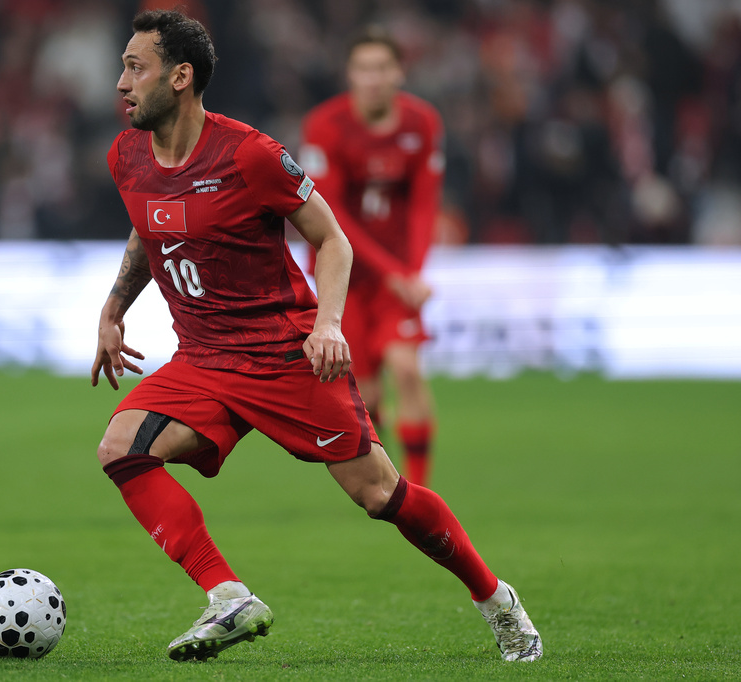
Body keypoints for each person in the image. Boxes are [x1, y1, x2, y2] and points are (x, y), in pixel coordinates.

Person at [92, 9, 542, 664]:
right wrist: (114, 308)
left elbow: (331, 237)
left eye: (136, 67)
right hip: (202, 358)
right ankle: (228, 596)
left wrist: (327, 322)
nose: (121, 82)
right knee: (121, 448)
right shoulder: (125, 154)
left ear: (181, 77)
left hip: (283, 354)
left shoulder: (250, 154)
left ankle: (497, 599)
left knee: (380, 495)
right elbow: (147, 229)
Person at [300, 28, 442, 487]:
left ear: (399, 71)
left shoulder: (423, 124)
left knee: (406, 368)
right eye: (364, 69)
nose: (374, 78)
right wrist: (396, 272)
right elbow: (333, 215)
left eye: (383, 68)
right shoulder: (324, 126)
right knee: (366, 390)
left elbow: (423, 204)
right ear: (350, 74)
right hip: (342, 274)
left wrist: (412, 272)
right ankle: (386, 481)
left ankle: (418, 490)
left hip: (395, 276)